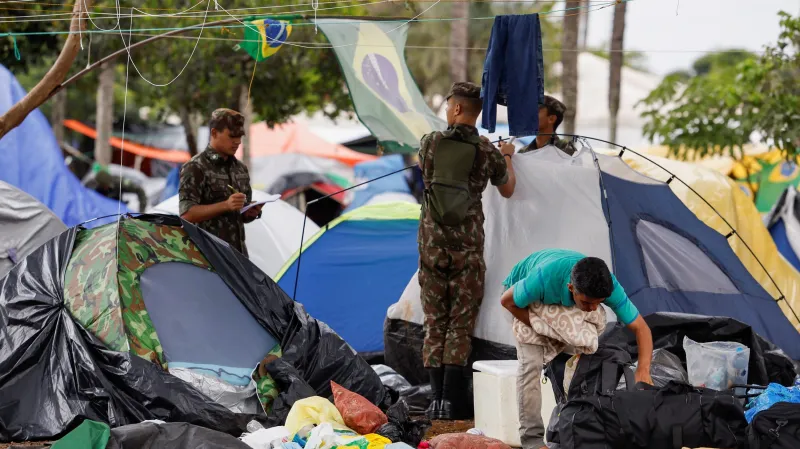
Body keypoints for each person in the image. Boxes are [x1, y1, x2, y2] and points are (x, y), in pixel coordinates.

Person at [418, 82, 517, 420]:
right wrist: (507, 156)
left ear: (457, 109)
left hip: (432, 249)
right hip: (468, 251)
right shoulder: (487, 151)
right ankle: (450, 401)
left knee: (435, 321)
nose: (447, 111)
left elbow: (425, 172)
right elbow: (507, 189)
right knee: (460, 324)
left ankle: (433, 399)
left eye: (448, 106)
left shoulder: (430, 143)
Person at [500, 248, 654, 449]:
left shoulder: (608, 286)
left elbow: (641, 328)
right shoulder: (542, 279)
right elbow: (507, 301)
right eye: (587, 302)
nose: (592, 308)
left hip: (561, 307)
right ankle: (533, 440)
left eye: (599, 303)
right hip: (521, 303)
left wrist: (643, 368)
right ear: (571, 287)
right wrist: (543, 329)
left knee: (580, 355)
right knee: (531, 364)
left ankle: (572, 423)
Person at [179, 108, 263, 256]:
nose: (237, 141)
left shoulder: (240, 169)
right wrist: (225, 205)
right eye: (232, 136)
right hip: (209, 258)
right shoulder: (195, 167)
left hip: (238, 257)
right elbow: (187, 214)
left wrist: (250, 212)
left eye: (240, 136)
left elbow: (240, 217)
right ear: (214, 133)